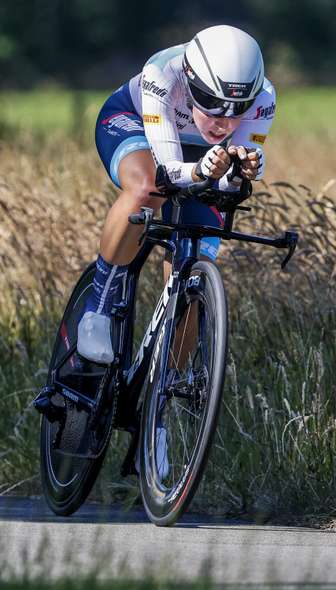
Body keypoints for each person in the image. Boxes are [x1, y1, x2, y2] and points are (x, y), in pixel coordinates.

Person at [78, 24, 276, 363]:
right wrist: (201, 171)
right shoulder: (163, 71)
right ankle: (98, 310)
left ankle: (158, 392)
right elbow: (168, 173)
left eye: (237, 108)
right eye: (211, 103)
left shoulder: (264, 97)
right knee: (147, 190)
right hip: (136, 124)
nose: (223, 123)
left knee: (193, 274)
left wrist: (242, 173)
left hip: (201, 157)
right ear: (190, 77)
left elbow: (230, 184)